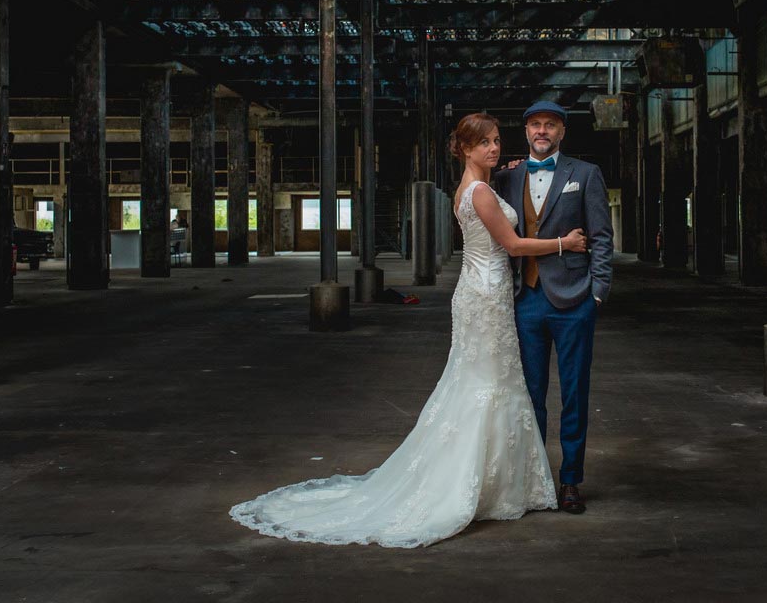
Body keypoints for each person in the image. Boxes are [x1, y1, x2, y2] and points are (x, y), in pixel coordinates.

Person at [228, 112, 587, 548]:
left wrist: (508, 171)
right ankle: (478, 484)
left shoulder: (472, 189)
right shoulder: (481, 194)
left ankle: (502, 481)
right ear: (466, 149)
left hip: (481, 292)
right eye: (486, 143)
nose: (495, 148)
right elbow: (511, 246)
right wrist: (563, 243)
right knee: (488, 385)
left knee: (485, 382)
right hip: (487, 292)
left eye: (497, 141)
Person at [492, 100, 614, 515]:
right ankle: (537, 477)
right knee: (530, 396)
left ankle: (570, 482)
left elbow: (601, 235)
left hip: (574, 299)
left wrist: (597, 292)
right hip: (525, 301)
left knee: (575, 394)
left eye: (550, 125)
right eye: (535, 125)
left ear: (562, 132)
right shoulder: (507, 178)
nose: (542, 131)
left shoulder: (585, 174)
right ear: (526, 132)